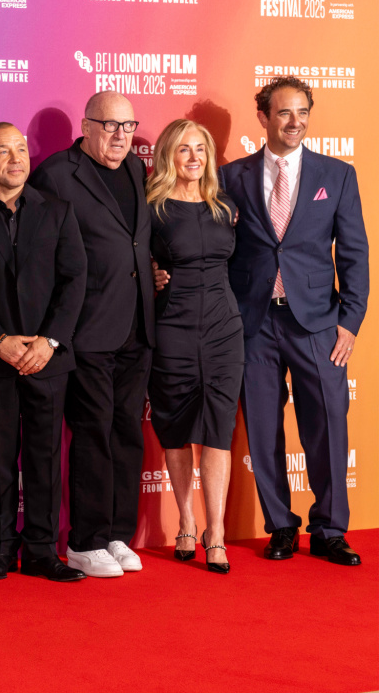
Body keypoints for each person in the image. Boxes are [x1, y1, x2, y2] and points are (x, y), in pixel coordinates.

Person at [218, 77, 368, 565]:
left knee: (328, 426)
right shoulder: (231, 176)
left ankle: (330, 529)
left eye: (302, 112)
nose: (295, 122)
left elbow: (354, 253)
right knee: (263, 430)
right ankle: (281, 526)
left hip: (318, 323)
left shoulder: (337, 175)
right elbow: (218, 248)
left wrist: (350, 322)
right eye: (284, 112)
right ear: (263, 117)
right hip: (253, 322)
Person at [30, 91, 155, 578]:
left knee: (126, 434)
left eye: (128, 126)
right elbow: (43, 256)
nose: (121, 136)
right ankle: (86, 541)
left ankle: (117, 533)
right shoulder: (56, 175)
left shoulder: (136, 170)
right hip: (87, 328)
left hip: (136, 325)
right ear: (86, 127)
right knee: (93, 434)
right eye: (110, 125)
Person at [0, 122, 87, 583]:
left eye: (20, 149)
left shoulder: (58, 211)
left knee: (44, 458)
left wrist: (49, 341)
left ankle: (41, 551)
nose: (15, 159)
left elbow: (75, 281)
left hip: (48, 358)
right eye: (2, 151)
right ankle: (0, 551)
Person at [145, 120, 242, 574]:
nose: (193, 157)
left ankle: (215, 532)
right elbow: (131, 261)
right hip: (173, 328)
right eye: (184, 149)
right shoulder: (153, 208)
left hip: (224, 329)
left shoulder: (225, 206)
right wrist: (151, 274)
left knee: (220, 429)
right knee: (176, 427)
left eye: (200, 149)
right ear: (169, 155)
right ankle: (186, 521)